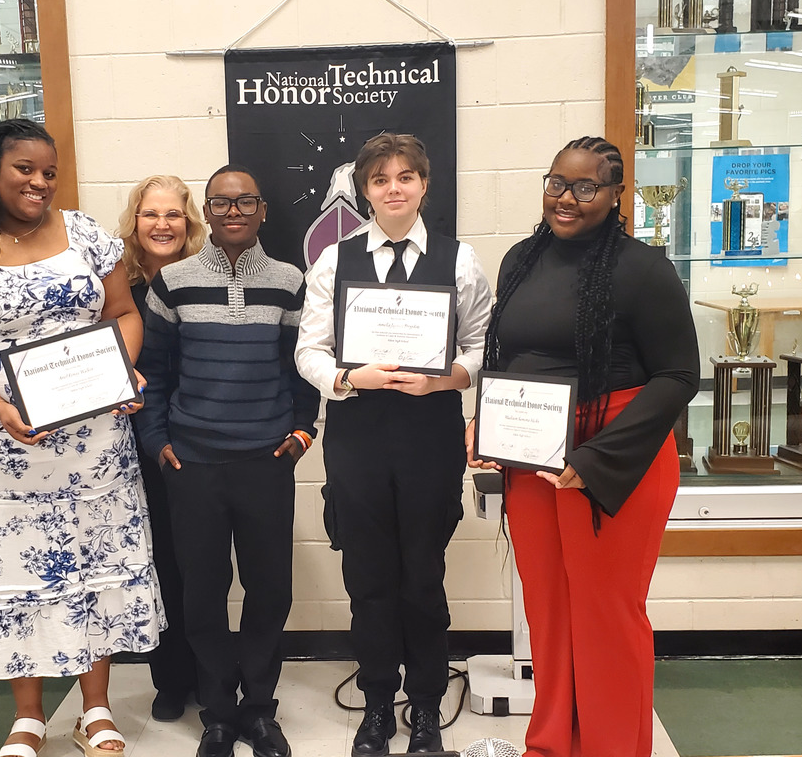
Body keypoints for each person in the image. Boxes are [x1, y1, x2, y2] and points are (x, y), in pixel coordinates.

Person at [0, 118, 164, 757]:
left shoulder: (85, 236)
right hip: (5, 446)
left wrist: (122, 370)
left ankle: (95, 708)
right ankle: (28, 714)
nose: (40, 182)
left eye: (49, 171)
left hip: (92, 442)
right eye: (25, 169)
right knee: (18, 570)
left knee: (92, 563)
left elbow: (124, 314)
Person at [467, 136, 700, 757]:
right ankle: (552, 745)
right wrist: (484, 422)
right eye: (555, 184)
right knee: (546, 610)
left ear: (615, 195)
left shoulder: (643, 269)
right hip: (535, 455)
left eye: (584, 188)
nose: (565, 199)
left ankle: (614, 748)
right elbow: (507, 357)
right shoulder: (520, 259)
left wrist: (592, 461)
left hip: (614, 454)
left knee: (604, 614)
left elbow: (679, 377)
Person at [295, 133, 492, 756]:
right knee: (370, 580)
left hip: (429, 437)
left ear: (425, 184)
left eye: (406, 177)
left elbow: (483, 347)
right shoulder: (334, 260)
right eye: (381, 180)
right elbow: (309, 351)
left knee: (423, 579)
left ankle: (427, 706)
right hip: (357, 438)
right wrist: (348, 378)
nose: (394, 189)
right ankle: (378, 702)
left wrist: (449, 377)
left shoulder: (460, 261)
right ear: (365, 191)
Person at [135, 165, 320, 757]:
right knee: (202, 593)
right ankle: (217, 714)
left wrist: (301, 433)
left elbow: (305, 370)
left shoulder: (292, 282)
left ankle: (259, 711)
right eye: (221, 203)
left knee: (270, 591)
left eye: (245, 202)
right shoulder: (174, 283)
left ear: (263, 210)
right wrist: (158, 441)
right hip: (193, 464)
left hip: (266, 461)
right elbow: (154, 374)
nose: (233, 212)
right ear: (206, 213)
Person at [116, 175, 205, 721]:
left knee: (197, 560)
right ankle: (171, 677)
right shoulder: (115, 285)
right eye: (151, 214)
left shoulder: (203, 280)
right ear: (135, 222)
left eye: (174, 214)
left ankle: (208, 668)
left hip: (192, 438)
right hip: (128, 442)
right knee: (154, 560)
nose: (163, 224)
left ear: (189, 222)